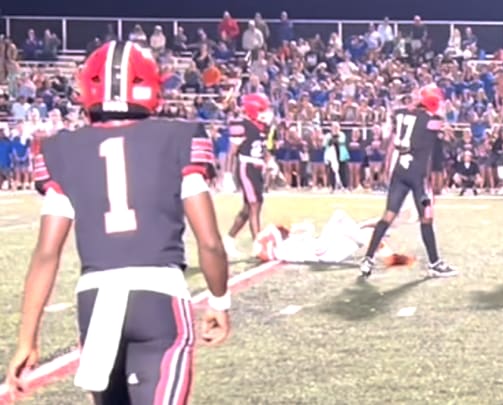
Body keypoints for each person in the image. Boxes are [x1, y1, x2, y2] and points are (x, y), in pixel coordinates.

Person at [3, 41, 231, 405]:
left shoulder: (60, 149)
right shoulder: (180, 137)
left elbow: (46, 254)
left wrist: (27, 339)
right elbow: (209, 242)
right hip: (160, 299)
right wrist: (220, 300)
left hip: (95, 301)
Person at [359, 85, 457, 278]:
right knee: (427, 217)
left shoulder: (401, 113)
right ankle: (435, 263)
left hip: (400, 171)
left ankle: (368, 259)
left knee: (387, 216)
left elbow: (403, 119)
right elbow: (447, 134)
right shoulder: (432, 120)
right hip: (418, 176)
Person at [252, 209, 414, 266]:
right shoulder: (277, 250)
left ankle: (390, 256)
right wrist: (271, 232)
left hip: (328, 252)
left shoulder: (287, 241)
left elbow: (305, 228)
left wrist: (297, 229)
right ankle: (390, 224)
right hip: (320, 252)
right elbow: (263, 243)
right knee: (339, 215)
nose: (287, 231)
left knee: (363, 231)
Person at [224, 93, 274, 258]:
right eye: (261, 109)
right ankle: (258, 246)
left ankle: (228, 240)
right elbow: (231, 153)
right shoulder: (241, 125)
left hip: (257, 167)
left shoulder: (262, 126)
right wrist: (227, 175)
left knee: (248, 209)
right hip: (246, 167)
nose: (265, 112)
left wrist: (270, 162)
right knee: (254, 205)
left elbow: (262, 147)